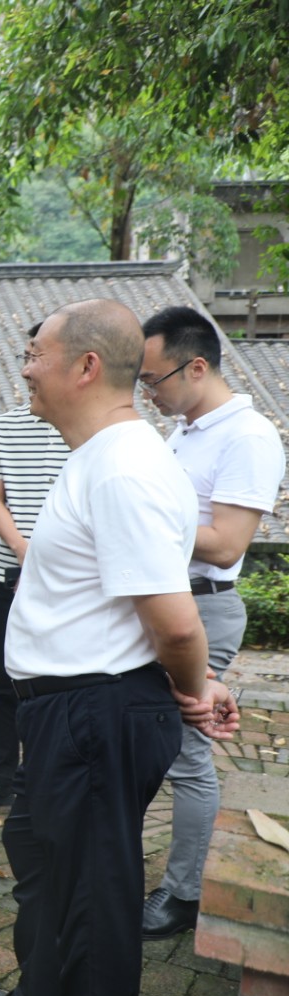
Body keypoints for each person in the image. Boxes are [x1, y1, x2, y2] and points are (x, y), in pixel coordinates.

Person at [0, 298, 239, 996]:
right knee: (40, 857)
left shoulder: (124, 467)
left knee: (95, 895)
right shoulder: (99, 457)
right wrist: (197, 682)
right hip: (70, 710)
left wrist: (195, 687)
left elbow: (176, 624)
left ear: (86, 366)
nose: (26, 368)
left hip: (93, 712)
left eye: (37, 353)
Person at [136, 305, 285, 940]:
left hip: (204, 605)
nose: (148, 392)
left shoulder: (248, 436)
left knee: (187, 753)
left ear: (196, 367)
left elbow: (225, 545)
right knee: (150, 741)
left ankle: (185, 892)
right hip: (167, 599)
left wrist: (136, 517)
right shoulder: (185, 431)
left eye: (154, 379)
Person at [0, 325, 70, 814]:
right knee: (4, 682)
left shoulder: (89, 431)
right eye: (26, 355)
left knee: (59, 684)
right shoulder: (6, 426)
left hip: (67, 580)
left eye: (37, 356)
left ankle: (43, 780)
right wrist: (23, 549)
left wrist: (43, 559)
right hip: (10, 570)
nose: (27, 368)